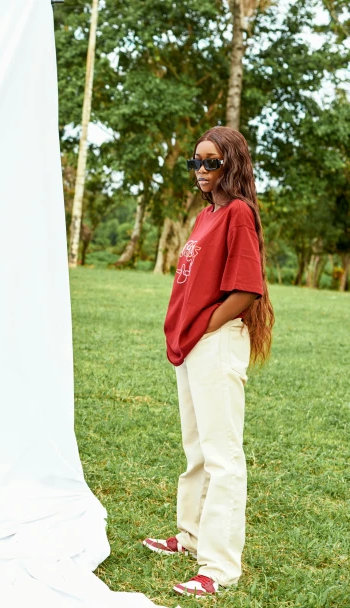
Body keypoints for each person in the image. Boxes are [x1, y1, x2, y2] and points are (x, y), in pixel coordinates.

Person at [143, 126, 275, 598]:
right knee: (196, 448)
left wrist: (202, 327)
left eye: (211, 162)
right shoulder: (207, 215)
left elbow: (246, 289)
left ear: (232, 164)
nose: (201, 170)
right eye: (195, 162)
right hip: (193, 344)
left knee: (223, 457)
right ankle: (191, 535)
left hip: (216, 342)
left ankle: (217, 568)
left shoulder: (237, 214)